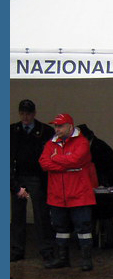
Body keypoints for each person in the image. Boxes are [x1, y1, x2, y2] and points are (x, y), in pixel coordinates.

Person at [38, 113, 98, 271]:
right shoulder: (51, 143)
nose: (57, 129)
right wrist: (67, 163)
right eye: (56, 126)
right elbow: (44, 163)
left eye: (60, 126)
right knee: (60, 228)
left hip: (79, 194)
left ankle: (86, 260)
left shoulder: (82, 142)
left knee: (83, 228)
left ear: (70, 126)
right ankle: (63, 258)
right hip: (58, 195)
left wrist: (56, 159)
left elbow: (77, 160)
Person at [11, 99, 56, 262]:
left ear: (34, 114)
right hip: (19, 176)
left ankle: (46, 249)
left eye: (28, 114)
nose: (25, 117)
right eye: (22, 113)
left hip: (37, 177)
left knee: (41, 215)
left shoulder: (45, 131)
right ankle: (17, 249)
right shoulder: (13, 130)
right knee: (17, 216)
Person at [78, 123, 113, 249]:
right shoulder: (99, 146)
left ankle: (98, 239)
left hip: (106, 190)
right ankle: (102, 238)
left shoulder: (99, 149)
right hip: (102, 189)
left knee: (101, 212)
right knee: (101, 213)